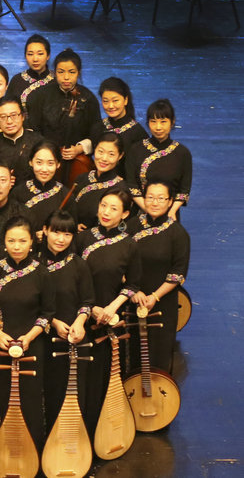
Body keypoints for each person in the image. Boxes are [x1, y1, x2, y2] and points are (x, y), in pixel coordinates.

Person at [76, 188, 142, 436]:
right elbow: (71, 276)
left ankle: (104, 433)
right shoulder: (82, 239)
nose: (106, 212)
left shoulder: (129, 245)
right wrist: (90, 309)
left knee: (106, 377)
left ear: (125, 214)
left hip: (111, 318)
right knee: (82, 378)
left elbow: (133, 283)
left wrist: (112, 307)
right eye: (103, 205)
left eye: (114, 208)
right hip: (82, 315)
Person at [0, 216, 53, 452]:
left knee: (31, 401)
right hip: (0, 346)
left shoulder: (41, 272)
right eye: (11, 240)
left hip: (32, 346)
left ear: (32, 242)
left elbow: (47, 313)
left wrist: (29, 337)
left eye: (22, 241)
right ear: (4, 242)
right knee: (0, 401)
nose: (16, 246)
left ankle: (32, 456)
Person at [39, 210, 94, 435]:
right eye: (56, 233)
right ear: (44, 231)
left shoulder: (79, 264)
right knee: (46, 392)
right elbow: (31, 303)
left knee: (72, 393)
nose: (61, 239)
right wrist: (53, 322)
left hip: (74, 337)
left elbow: (88, 301)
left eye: (68, 234)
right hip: (41, 338)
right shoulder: (33, 263)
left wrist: (80, 323)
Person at [128, 182, 190, 372]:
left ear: (170, 201)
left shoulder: (178, 233)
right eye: (150, 197)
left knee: (159, 354)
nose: (154, 202)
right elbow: (120, 263)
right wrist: (132, 291)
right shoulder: (131, 226)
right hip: (132, 299)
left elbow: (178, 272)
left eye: (161, 198)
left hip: (162, 301)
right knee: (132, 353)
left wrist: (154, 297)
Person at [26, 48, 100, 176]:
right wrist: (48, 150)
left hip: (77, 162)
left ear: (79, 72)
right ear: (55, 72)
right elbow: (33, 130)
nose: (66, 77)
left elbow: (97, 133)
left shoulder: (88, 99)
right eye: (61, 72)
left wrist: (80, 148)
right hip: (46, 160)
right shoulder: (40, 96)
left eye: (72, 72)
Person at [125, 98, 192, 218]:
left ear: (172, 122)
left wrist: (172, 211)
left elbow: (184, 190)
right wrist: (148, 209)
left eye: (163, 121)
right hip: (140, 211)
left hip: (170, 213)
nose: (158, 127)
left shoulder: (182, 153)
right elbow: (132, 185)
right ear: (148, 123)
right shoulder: (136, 149)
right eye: (153, 121)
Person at [69, 133, 127, 231]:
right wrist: (72, 226)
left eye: (111, 154)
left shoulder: (121, 189)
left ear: (120, 156)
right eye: (100, 152)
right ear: (94, 150)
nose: (104, 158)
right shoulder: (81, 178)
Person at [10, 140, 67, 236]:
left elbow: (69, 230)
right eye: (39, 162)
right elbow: (11, 226)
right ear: (31, 162)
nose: (44, 169)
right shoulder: (17, 192)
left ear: (58, 165)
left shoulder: (66, 195)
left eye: (50, 163)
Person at [0, 97, 44, 187]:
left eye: (13, 115)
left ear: (22, 116)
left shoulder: (38, 142)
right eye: (3, 117)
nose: (9, 121)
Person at [88, 77, 147, 159]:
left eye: (115, 100)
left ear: (126, 100)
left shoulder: (138, 133)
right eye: (105, 101)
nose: (110, 106)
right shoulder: (97, 127)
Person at [7, 34, 53, 108]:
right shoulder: (17, 81)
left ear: (48, 55)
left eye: (40, 54)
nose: (35, 59)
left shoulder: (57, 80)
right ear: (25, 56)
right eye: (30, 54)